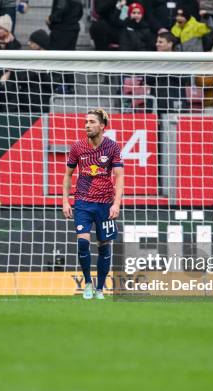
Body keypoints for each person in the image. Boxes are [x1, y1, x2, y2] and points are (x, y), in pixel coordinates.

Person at [62, 109, 124, 300]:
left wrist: (116, 204)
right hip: (82, 202)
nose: (87, 125)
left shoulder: (113, 147)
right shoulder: (77, 147)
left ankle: (100, 289)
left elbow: (119, 176)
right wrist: (65, 200)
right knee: (82, 242)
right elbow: (68, 174)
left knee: (104, 246)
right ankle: (88, 283)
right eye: (85, 122)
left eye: (91, 122)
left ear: (102, 126)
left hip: (105, 204)